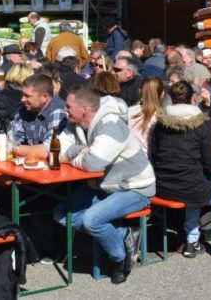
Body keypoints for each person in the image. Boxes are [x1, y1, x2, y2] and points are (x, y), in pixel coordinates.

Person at [54, 86, 156, 285]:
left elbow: (92, 163)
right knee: (62, 213)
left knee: (92, 220)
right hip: (105, 186)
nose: (64, 109)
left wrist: (71, 156)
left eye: (68, 106)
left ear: (84, 109)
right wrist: (78, 150)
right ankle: (125, 235)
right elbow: (58, 147)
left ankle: (120, 259)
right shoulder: (75, 124)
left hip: (135, 187)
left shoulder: (110, 124)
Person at [150, 81, 211, 264]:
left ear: (170, 98)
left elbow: (153, 156)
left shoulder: (159, 124)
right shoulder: (202, 125)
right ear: (193, 98)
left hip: (162, 186)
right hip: (190, 186)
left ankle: (191, 241)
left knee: (197, 184)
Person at [10, 73, 68, 160]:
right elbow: (12, 138)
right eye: (23, 95)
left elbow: (49, 150)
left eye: (27, 96)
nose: (22, 99)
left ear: (45, 97)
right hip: (32, 167)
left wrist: (13, 148)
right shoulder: (25, 109)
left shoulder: (58, 111)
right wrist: (4, 144)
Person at [128, 77, 163, 154]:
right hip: (149, 161)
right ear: (162, 94)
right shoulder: (162, 118)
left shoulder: (128, 112)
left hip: (129, 158)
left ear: (140, 91)